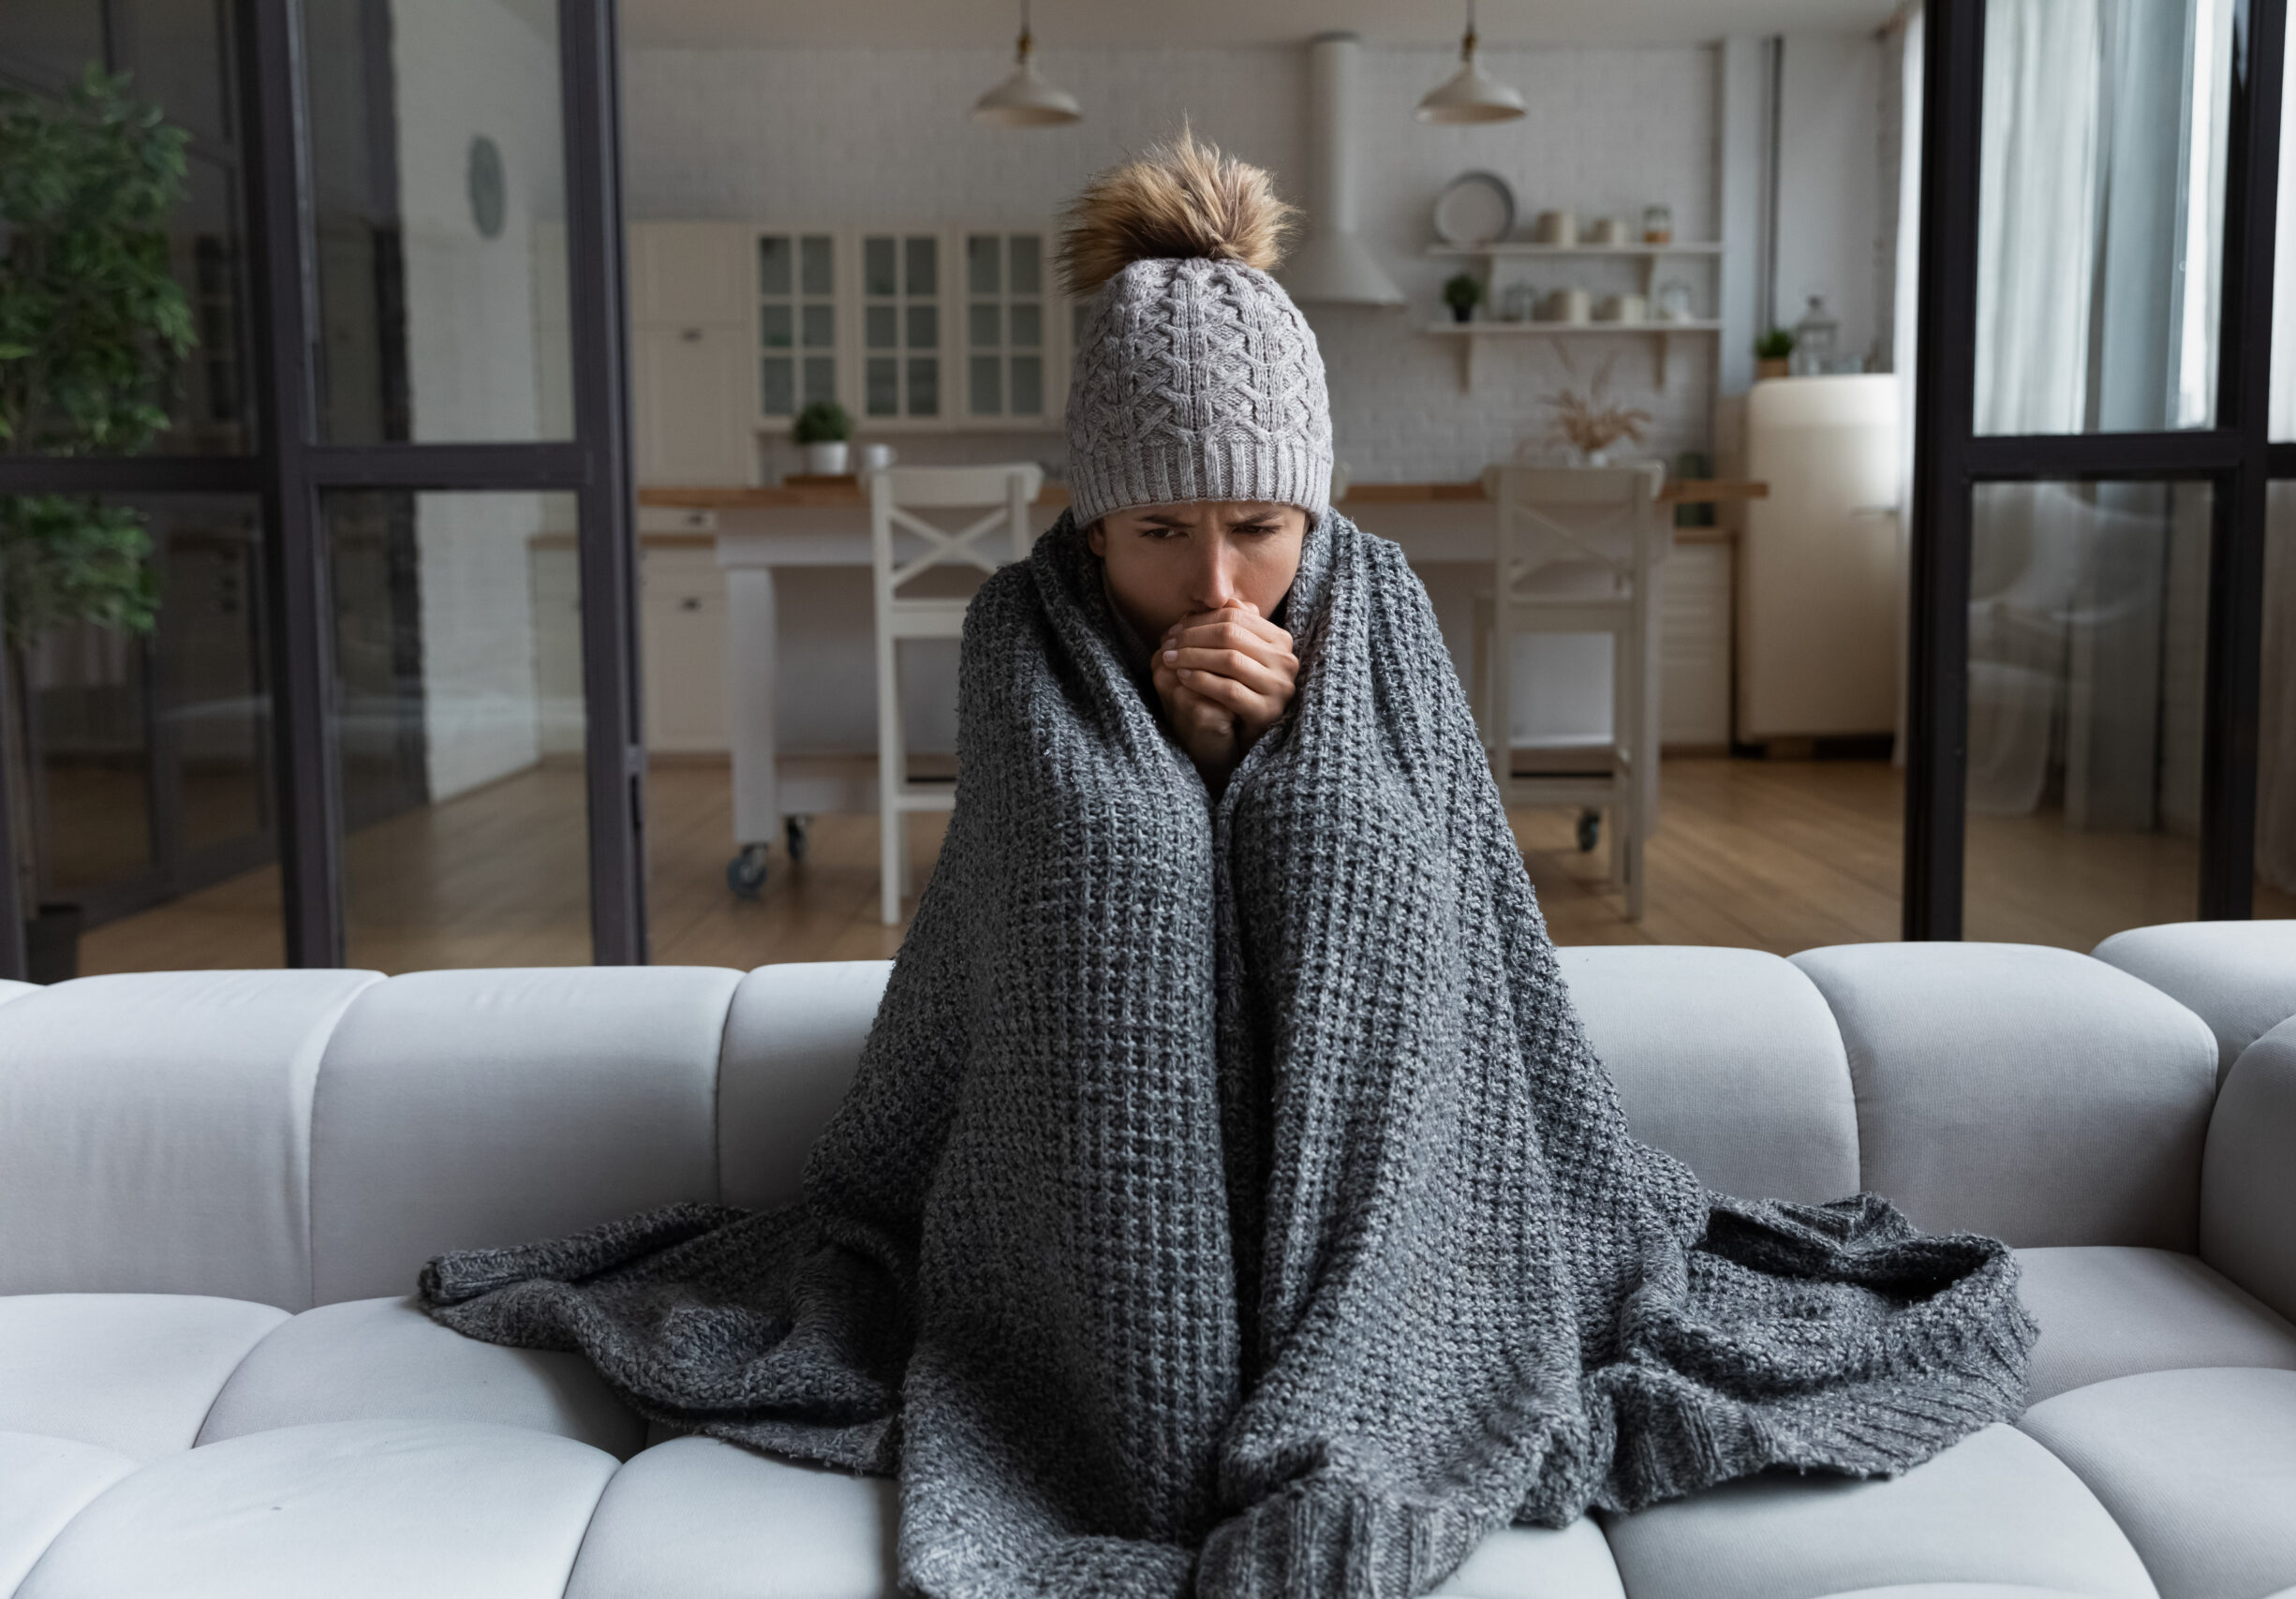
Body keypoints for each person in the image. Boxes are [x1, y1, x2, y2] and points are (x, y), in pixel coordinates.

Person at [420, 131, 2034, 1599]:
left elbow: (1437, 899)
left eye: (1259, 526)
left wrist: (1271, 770)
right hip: (1067, 1187)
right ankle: (1142, 1373)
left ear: (1310, 507)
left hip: (1398, 1154)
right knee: (1119, 858)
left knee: (1343, 841)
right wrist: (1179, 765)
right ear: (1089, 525)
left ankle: (1352, 1336)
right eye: (1157, 534)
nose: (1217, 580)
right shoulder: (1021, 632)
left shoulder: (1375, 604)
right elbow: (1053, 902)